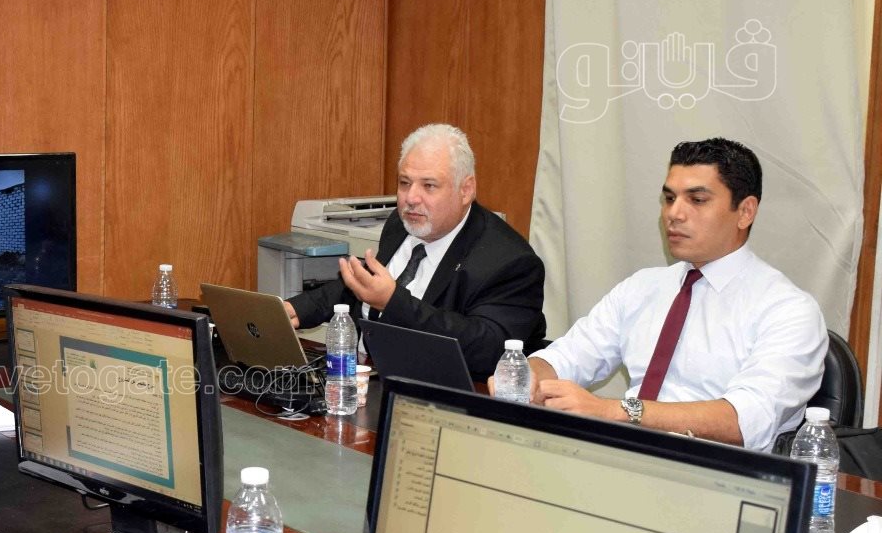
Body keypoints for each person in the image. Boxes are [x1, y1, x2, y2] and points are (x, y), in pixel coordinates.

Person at [524, 138, 826, 452]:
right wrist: (524, 377)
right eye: (669, 198)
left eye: (697, 200)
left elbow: (745, 420)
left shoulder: (788, 310)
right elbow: (567, 357)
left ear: (745, 212)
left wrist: (617, 411)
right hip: (621, 459)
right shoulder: (642, 287)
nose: (674, 213)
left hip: (717, 472)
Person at [285, 123, 547, 379]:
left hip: (440, 393)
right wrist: (296, 310)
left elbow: (488, 350)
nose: (410, 198)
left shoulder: (511, 262)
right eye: (404, 182)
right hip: (367, 375)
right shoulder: (402, 223)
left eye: (429, 186)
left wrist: (393, 302)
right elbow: (365, 286)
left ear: (466, 190)